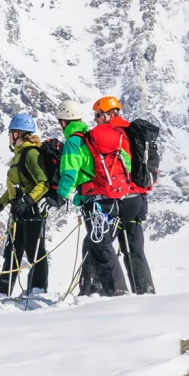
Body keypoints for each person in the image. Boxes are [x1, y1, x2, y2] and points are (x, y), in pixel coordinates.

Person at [54, 99, 130, 297]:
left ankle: (118, 291)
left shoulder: (74, 142)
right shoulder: (91, 137)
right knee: (92, 242)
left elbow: (69, 171)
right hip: (111, 197)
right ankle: (89, 288)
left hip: (94, 200)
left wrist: (61, 195)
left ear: (63, 122)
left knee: (101, 243)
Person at [0, 114, 49, 298]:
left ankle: (37, 291)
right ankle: (2, 291)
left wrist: (27, 201)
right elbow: (12, 191)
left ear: (18, 133)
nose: (8, 136)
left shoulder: (31, 154)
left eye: (10, 132)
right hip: (20, 213)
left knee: (35, 253)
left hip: (32, 212)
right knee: (12, 253)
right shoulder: (18, 156)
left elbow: (43, 183)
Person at [94, 97, 156, 295]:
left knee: (99, 243)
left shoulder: (112, 134)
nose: (96, 120)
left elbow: (93, 140)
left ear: (110, 114)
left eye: (98, 115)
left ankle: (107, 292)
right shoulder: (134, 133)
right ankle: (145, 291)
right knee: (134, 248)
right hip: (139, 198)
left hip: (122, 199)